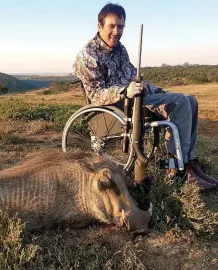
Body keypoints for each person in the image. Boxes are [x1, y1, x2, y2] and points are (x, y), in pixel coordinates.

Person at [73, 3, 218, 191]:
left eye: (121, 26)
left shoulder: (120, 50)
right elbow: (95, 94)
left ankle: (188, 162)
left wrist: (156, 90)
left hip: (136, 99)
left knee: (190, 99)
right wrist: (124, 91)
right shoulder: (87, 56)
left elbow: (135, 77)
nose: (116, 31)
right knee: (180, 103)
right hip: (115, 107)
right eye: (112, 26)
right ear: (100, 26)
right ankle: (175, 170)